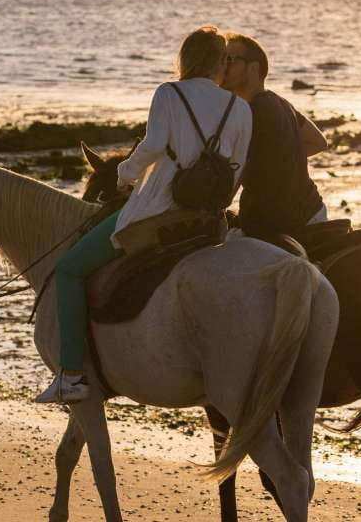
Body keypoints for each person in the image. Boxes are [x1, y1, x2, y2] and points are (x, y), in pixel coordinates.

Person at [35, 25, 252, 404]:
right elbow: (237, 171)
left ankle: (70, 375)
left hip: (159, 215)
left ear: (186, 59)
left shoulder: (169, 93)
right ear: (221, 62)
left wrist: (123, 175)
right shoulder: (241, 108)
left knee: (69, 268)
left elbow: (151, 147)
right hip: (210, 221)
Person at [220, 32, 328, 241]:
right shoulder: (281, 103)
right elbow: (318, 142)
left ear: (253, 68)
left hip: (280, 224)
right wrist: (281, 158)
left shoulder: (248, 113)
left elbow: (230, 184)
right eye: (222, 61)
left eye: (230, 61)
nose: (223, 68)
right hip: (313, 211)